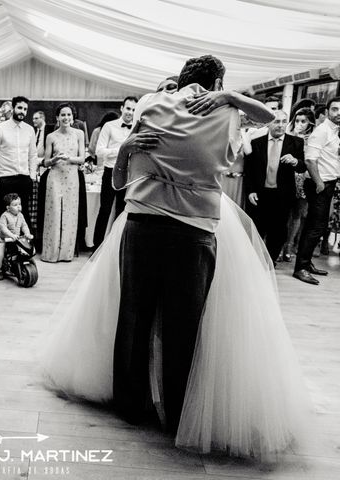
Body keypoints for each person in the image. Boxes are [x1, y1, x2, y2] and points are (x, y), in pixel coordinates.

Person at [42, 56, 310, 459]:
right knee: (184, 324)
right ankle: (177, 411)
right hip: (195, 230)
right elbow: (273, 117)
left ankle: (131, 405)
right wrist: (230, 96)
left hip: (143, 224)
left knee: (133, 316)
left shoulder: (150, 103)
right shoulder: (229, 113)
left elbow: (133, 159)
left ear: (182, 80)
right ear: (217, 82)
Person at [244, 110, 306, 264]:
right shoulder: (257, 143)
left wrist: (295, 161)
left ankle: (270, 262)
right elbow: (249, 170)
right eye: (276, 121)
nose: (280, 125)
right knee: (257, 229)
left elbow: (303, 167)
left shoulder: (296, 143)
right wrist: (250, 190)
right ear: (268, 124)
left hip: (282, 195)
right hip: (260, 194)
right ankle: (254, 262)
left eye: (284, 121)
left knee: (278, 232)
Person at [292, 96, 340, 285]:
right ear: (327, 112)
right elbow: (310, 159)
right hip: (319, 184)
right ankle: (301, 268)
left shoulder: (334, 131)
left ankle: (307, 262)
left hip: (328, 183)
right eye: (335, 109)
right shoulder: (322, 131)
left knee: (317, 226)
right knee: (315, 227)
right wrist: (319, 182)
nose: (339, 113)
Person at [40, 103, 85, 263]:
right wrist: (54, 159)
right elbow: (45, 162)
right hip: (55, 177)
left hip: (72, 177)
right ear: (57, 117)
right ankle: (50, 253)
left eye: (69, 115)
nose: (66, 118)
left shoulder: (79, 134)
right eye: (63, 115)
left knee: (70, 215)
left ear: (72, 117)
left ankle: (66, 254)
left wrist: (69, 158)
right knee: (53, 213)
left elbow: (82, 158)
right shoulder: (51, 136)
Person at [93, 96, 138, 250]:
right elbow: (99, 151)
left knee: (121, 211)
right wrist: (121, 151)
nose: (130, 112)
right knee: (104, 210)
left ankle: (115, 247)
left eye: (133, 109)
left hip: (128, 174)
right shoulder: (109, 126)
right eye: (128, 108)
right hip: (110, 171)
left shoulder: (136, 129)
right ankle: (96, 247)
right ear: (121, 108)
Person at [283, 108, 315, 261]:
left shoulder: (314, 139)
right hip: (288, 178)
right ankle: (280, 244)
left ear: (310, 123)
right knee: (284, 213)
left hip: (305, 180)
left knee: (297, 214)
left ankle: (289, 246)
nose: (300, 124)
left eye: (304, 121)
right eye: (297, 121)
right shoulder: (288, 136)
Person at [0, 193, 33, 280]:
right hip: (4, 239)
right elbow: (3, 228)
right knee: (0, 254)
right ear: (8, 208)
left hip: (15, 239)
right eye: (15, 205)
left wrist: (27, 233)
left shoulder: (21, 215)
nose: (18, 207)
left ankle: (17, 265)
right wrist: (11, 235)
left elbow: (24, 226)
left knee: (21, 252)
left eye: (19, 204)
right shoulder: (4, 216)